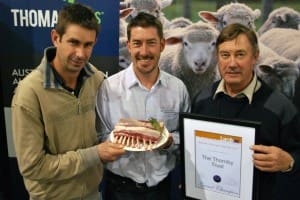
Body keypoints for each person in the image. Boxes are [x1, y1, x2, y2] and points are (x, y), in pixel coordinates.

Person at [11, 3, 125, 200]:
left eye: (88, 45)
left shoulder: (96, 79)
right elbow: (33, 167)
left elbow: (104, 129)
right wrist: (95, 155)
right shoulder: (29, 93)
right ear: (56, 38)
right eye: (74, 42)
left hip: (92, 194)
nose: (81, 54)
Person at [191, 23, 300, 200]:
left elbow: (296, 154)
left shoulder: (280, 107)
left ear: (255, 57)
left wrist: (290, 162)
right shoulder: (202, 100)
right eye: (225, 55)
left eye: (240, 54)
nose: (232, 63)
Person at [95, 12, 190, 200]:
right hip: (120, 190)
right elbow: (99, 138)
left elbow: (187, 138)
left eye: (151, 43)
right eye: (137, 43)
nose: (144, 51)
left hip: (164, 190)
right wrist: (124, 137)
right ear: (129, 46)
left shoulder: (178, 89)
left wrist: (169, 140)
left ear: (162, 45)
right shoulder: (109, 88)